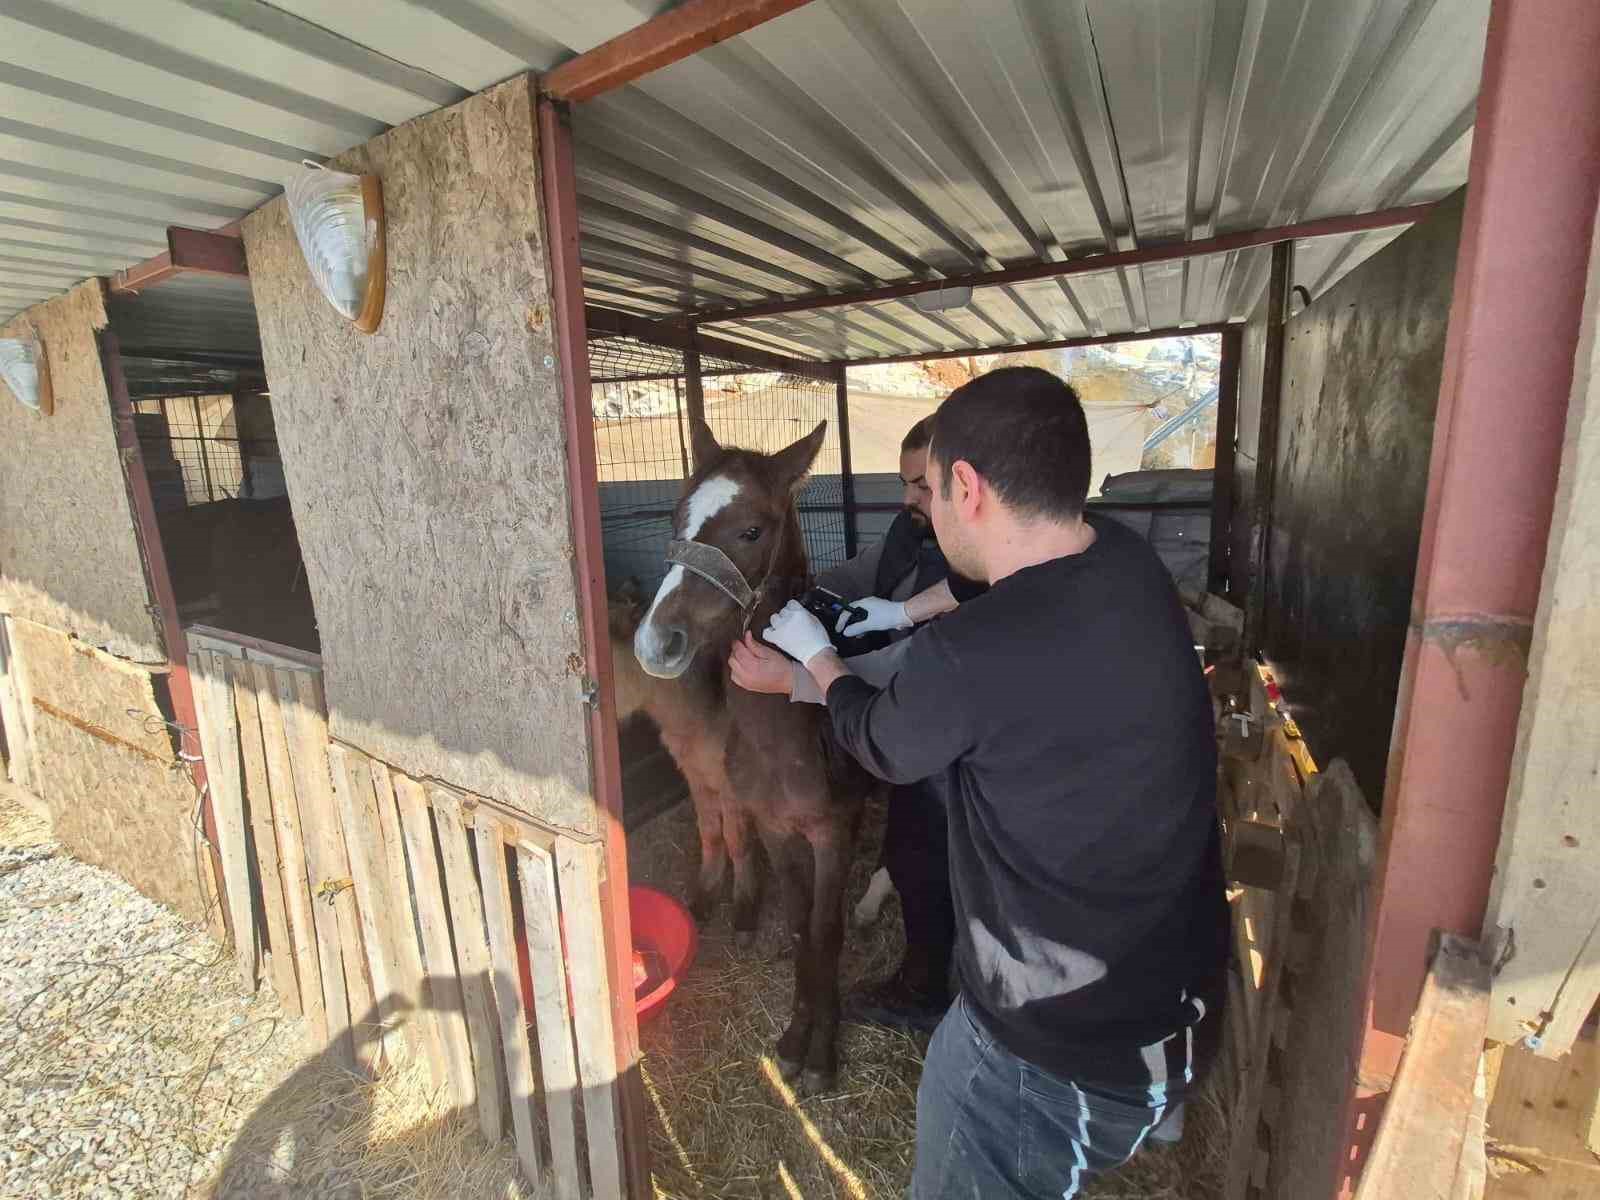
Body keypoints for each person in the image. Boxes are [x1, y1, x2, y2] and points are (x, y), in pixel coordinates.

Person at [743, 366, 1228, 1198]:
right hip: (1171, 1014)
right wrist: (901, 612)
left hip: (1048, 1057)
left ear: (965, 487)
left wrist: (815, 660)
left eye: (930, 489)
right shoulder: (1124, 559)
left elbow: (881, 743)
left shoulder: (972, 652)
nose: (924, 507)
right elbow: (986, 582)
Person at [796, 415, 964, 1031]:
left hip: (949, 728)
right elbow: (864, 571)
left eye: (921, 485)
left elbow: (918, 662)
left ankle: (930, 990)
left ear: (963, 482)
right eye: (904, 483)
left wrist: (807, 673)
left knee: (927, 849)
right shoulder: (913, 529)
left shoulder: (975, 551)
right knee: (911, 838)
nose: (907, 498)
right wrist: (806, 594)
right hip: (924, 720)